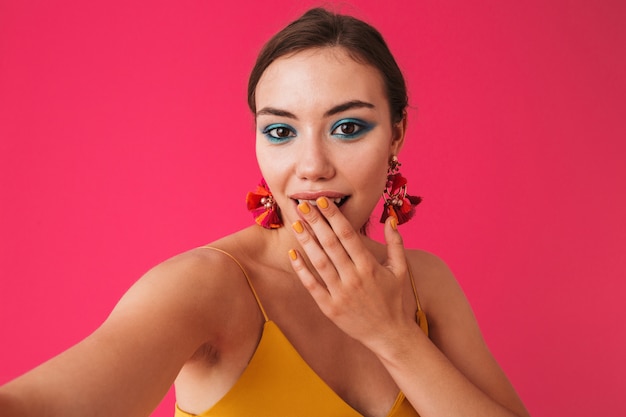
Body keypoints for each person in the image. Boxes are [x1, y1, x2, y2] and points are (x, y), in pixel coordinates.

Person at [0, 7, 530, 417]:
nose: (312, 166)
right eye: (281, 131)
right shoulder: (207, 287)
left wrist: (392, 336)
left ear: (396, 134)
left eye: (348, 127)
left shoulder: (425, 285)